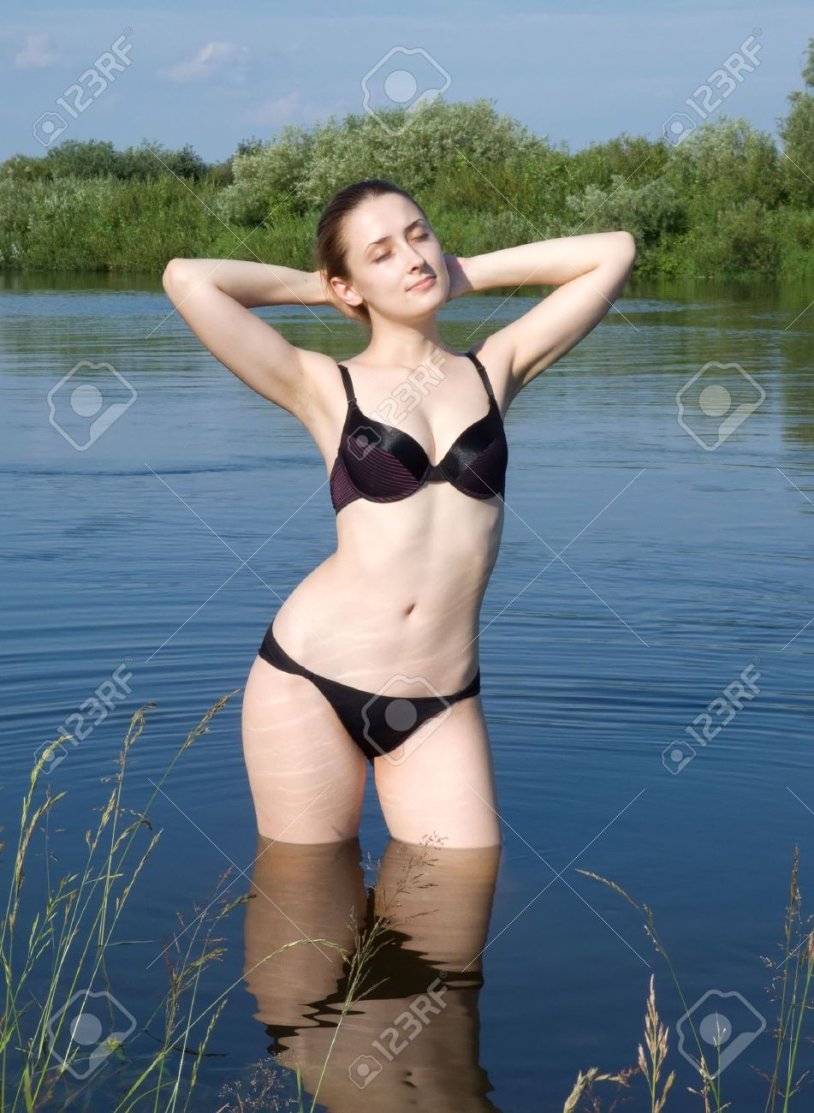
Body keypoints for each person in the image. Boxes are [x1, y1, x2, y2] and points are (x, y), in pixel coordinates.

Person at [161, 179, 636, 849]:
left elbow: (612, 251)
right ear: (349, 285)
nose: (413, 257)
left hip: (443, 698)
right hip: (311, 682)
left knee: (458, 916)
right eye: (381, 253)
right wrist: (322, 286)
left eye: (420, 236)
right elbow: (187, 279)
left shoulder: (494, 368)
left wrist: (455, 275)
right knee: (305, 917)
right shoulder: (323, 384)